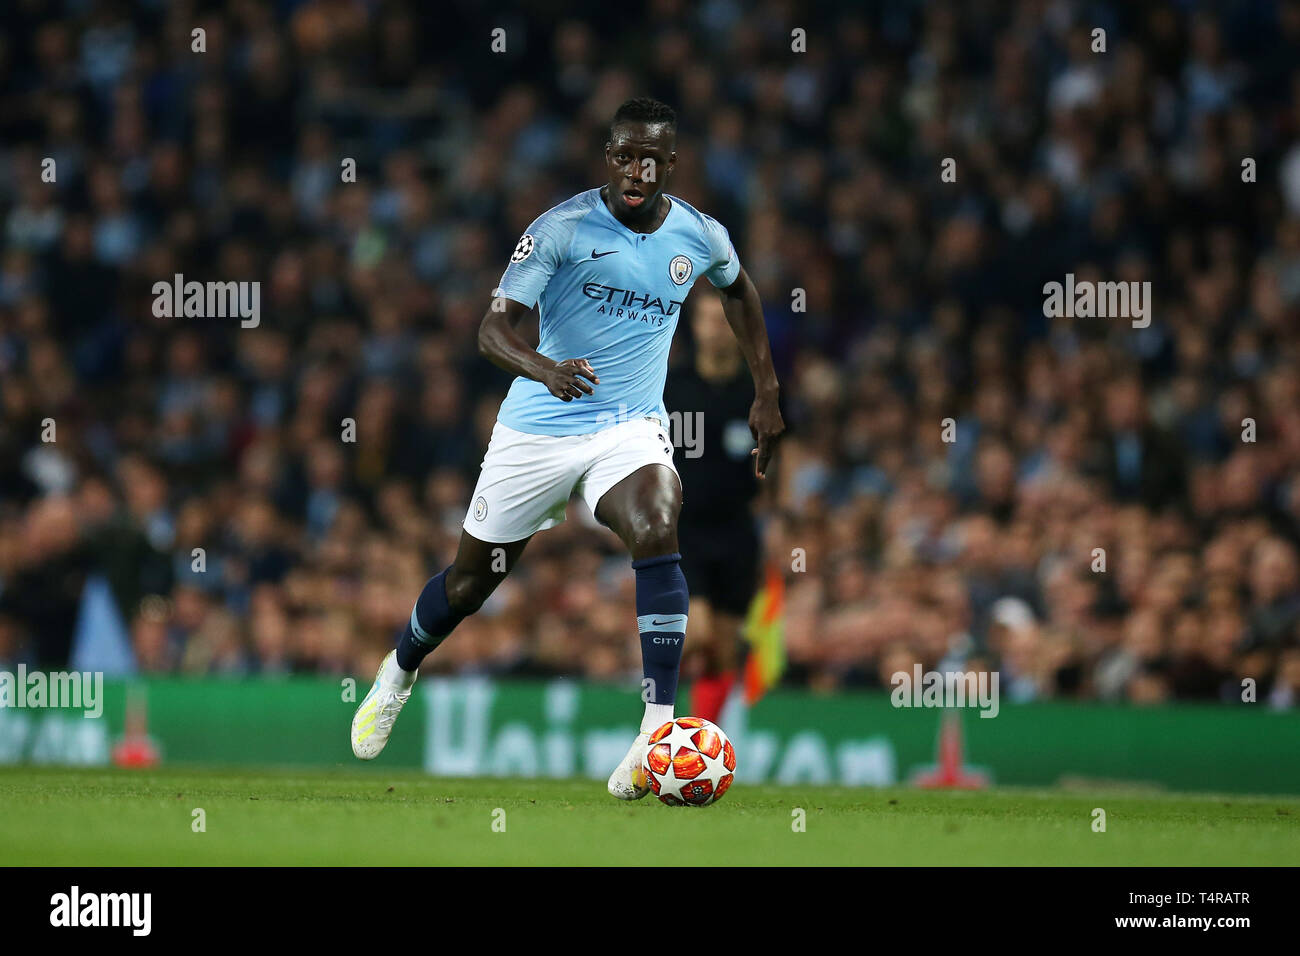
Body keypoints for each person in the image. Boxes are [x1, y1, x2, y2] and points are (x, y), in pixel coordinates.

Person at [350, 98, 784, 800]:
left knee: (657, 516)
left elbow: (741, 293)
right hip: (538, 427)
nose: (635, 169)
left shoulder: (699, 235)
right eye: (622, 155)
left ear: (671, 164)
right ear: (608, 157)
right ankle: (399, 669)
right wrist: (545, 368)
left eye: (651, 158)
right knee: (469, 586)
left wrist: (765, 388)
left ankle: (654, 731)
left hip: (629, 425)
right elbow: (491, 331)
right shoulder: (562, 228)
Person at [665, 294, 766, 722]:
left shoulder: (757, 392)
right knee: (699, 632)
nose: (716, 328)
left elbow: (783, 456)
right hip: (685, 529)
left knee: (724, 650)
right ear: (695, 325)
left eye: (725, 320)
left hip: (738, 530)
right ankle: (656, 700)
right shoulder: (672, 387)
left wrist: (782, 518)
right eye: (708, 319)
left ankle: (701, 737)